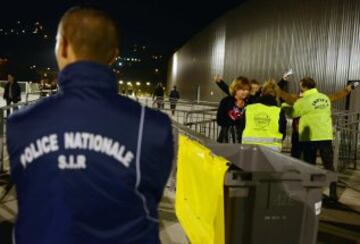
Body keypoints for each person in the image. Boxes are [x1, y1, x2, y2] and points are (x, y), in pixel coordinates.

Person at [6, 6, 174, 244]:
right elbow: (150, 193)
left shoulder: (21, 123)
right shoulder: (153, 126)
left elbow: (31, 192)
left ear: (62, 46)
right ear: (113, 55)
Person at [290, 77, 337, 200]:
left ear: (303, 86)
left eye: (301, 86)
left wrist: (285, 105)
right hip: (325, 135)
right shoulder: (325, 98)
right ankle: (333, 192)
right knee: (329, 165)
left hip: (310, 136)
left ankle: (310, 190)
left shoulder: (303, 100)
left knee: (309, 164)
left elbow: (294, 113)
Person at [241, 80, 287, 151]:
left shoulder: (249, 109)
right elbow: (282, 132)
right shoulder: (279, 111)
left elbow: (241, 127)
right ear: (276, 95)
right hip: (272, 150)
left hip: (249, 148)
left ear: (262, 92)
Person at [216, 77, 250, 143]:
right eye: (242, 89)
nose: (245, 92)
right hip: (227, 139)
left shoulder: (248, 103)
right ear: (235, 89)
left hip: (243, 139)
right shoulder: (226, 101)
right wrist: (235, 119)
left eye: (247, 89)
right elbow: (219, 120)